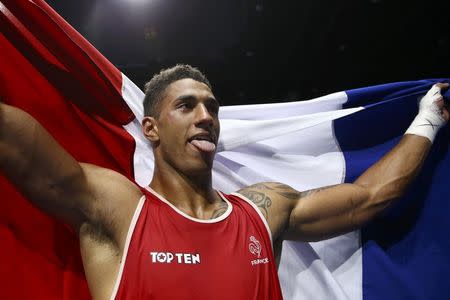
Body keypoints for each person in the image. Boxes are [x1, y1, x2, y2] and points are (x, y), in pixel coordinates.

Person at [0, 64, 448, 300]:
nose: (206, 117)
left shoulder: (262, 209)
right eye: (188, 106)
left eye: (212, 107)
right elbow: (24, 150)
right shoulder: (120, 209)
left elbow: (368, 199)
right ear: (151, 129)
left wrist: (427, 120)